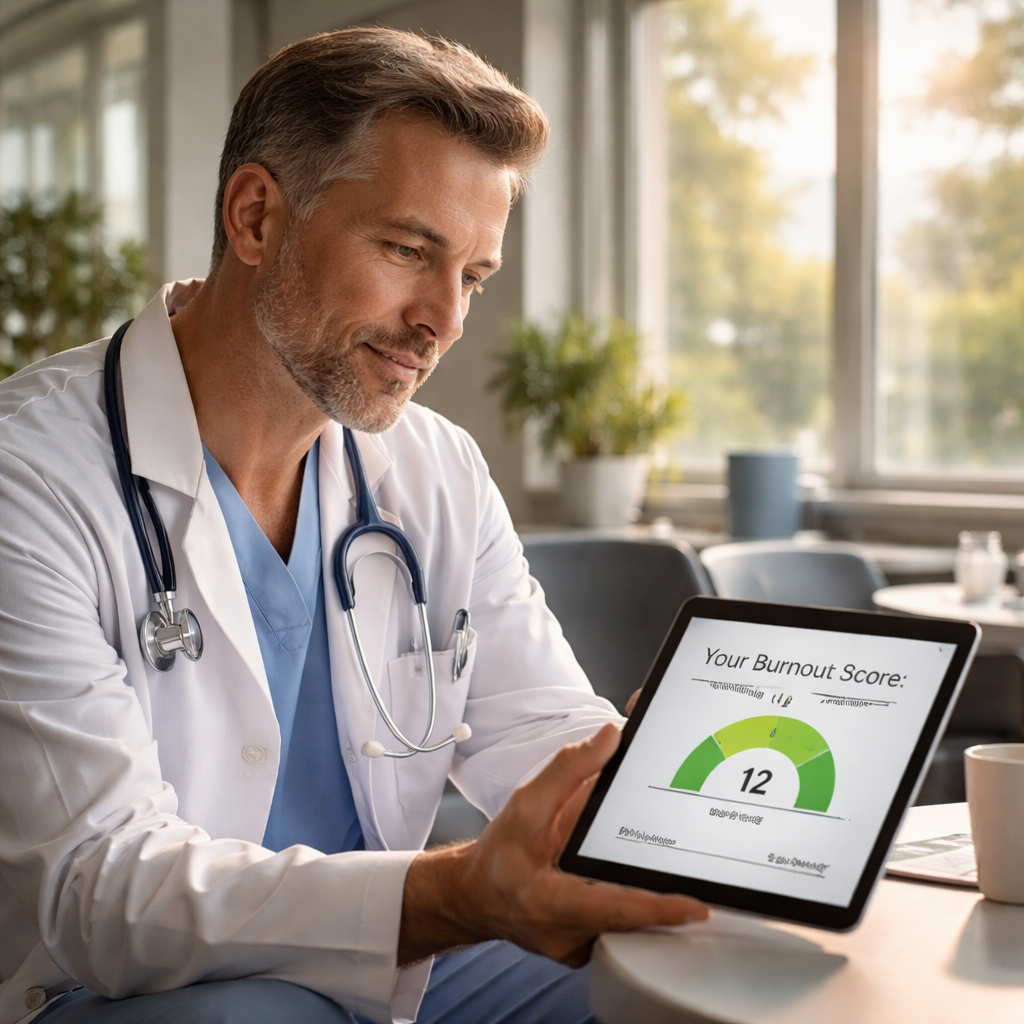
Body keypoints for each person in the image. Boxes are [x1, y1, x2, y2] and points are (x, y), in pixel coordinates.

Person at [0, 27, 707, 1024]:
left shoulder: (435, 468)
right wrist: (452, 893)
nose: (443, 321)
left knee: (682, 977)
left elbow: (539, 726)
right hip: (119, 985)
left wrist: (693, 792)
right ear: (256, 216)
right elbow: (100, 889)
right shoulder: (31, 479)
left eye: (471, 276)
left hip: (393, 958)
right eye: (408, 251)